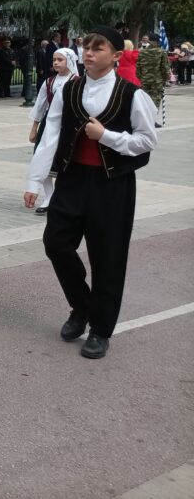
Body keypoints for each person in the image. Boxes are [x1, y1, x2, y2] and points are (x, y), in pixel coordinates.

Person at [24, 27, 157, 359]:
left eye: (99, 48)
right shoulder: (70, 90)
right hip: (72, 180)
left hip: (112, 184)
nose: (89, 53)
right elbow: (51, 133)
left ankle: (100, 330)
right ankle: (81, 306)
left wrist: (107, 136)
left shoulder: (132, 94)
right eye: (86, 47)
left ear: (115, 56)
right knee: (55, 243)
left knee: (107, 257)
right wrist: (35, 181)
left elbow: (147, 140)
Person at [27, 48, 80, 213]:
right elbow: (40, 106)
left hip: (68, 126)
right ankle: (49, 197)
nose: (56, 62)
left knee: (62, 162)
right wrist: (34, 128)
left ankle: (63, 197)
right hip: (48, 125)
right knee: (42, 159)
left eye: (60, 60)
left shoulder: (77, 81)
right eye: (54, 59)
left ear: (69, 61)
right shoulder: (49, 82)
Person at [135, 41, 170, 125]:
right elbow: (164, 67)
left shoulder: (142, 52)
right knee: (155, 99)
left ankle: (143, 120)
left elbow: (138, 66)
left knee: (144, 99)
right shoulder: (161, 52)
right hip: (157, 80)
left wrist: (141, 77)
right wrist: (165, 79)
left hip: (145, 79)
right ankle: (151, 120)